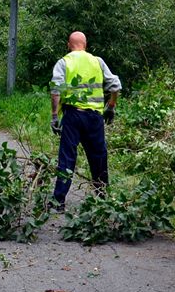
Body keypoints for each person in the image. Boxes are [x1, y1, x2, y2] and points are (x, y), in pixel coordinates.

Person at [49, 31, 122, 212]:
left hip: (73, 116)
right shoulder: (97, 61)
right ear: (86, 45)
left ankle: (58, 202)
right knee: (98, 157)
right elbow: (115, 85)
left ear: (69, 45)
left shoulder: (64, 62)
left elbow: (56, 90)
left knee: (67, 157)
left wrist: (54, 116)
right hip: (94, 118)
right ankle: (103, 197)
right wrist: (111, 106)